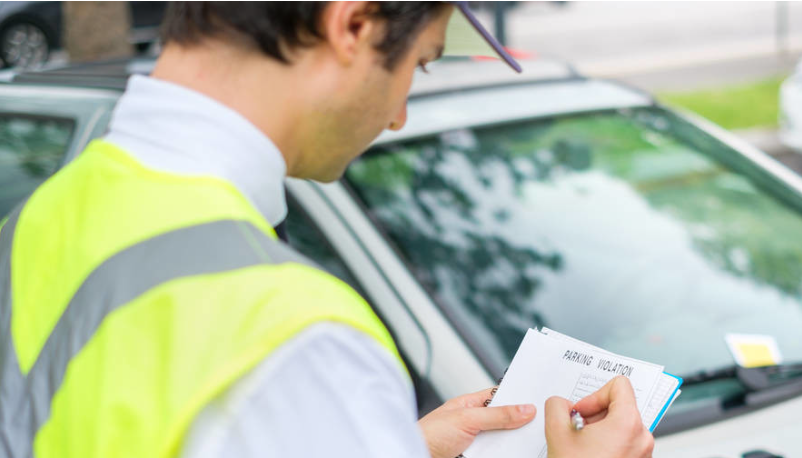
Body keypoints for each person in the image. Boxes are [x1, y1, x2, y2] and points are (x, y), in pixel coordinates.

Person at [0, 2, 654, 458]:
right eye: (418, 64)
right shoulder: (300, 336)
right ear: (355, 23)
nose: (398, 115)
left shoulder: (41, 216)